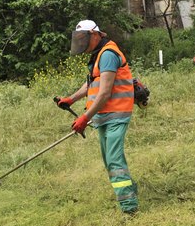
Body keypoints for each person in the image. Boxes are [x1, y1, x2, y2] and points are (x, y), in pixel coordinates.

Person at [56, 20, 138, 215]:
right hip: (103, 116)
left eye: (83, 38)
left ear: (95, 35)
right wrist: (71, 99)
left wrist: (84, 118)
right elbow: (91, 85)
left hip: (116, 114)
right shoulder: (98, 55)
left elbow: (104, 93)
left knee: (114, 160)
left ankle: (129, 208)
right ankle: (130, 191)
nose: (81, 42)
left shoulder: (108, 54)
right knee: (109, 159)